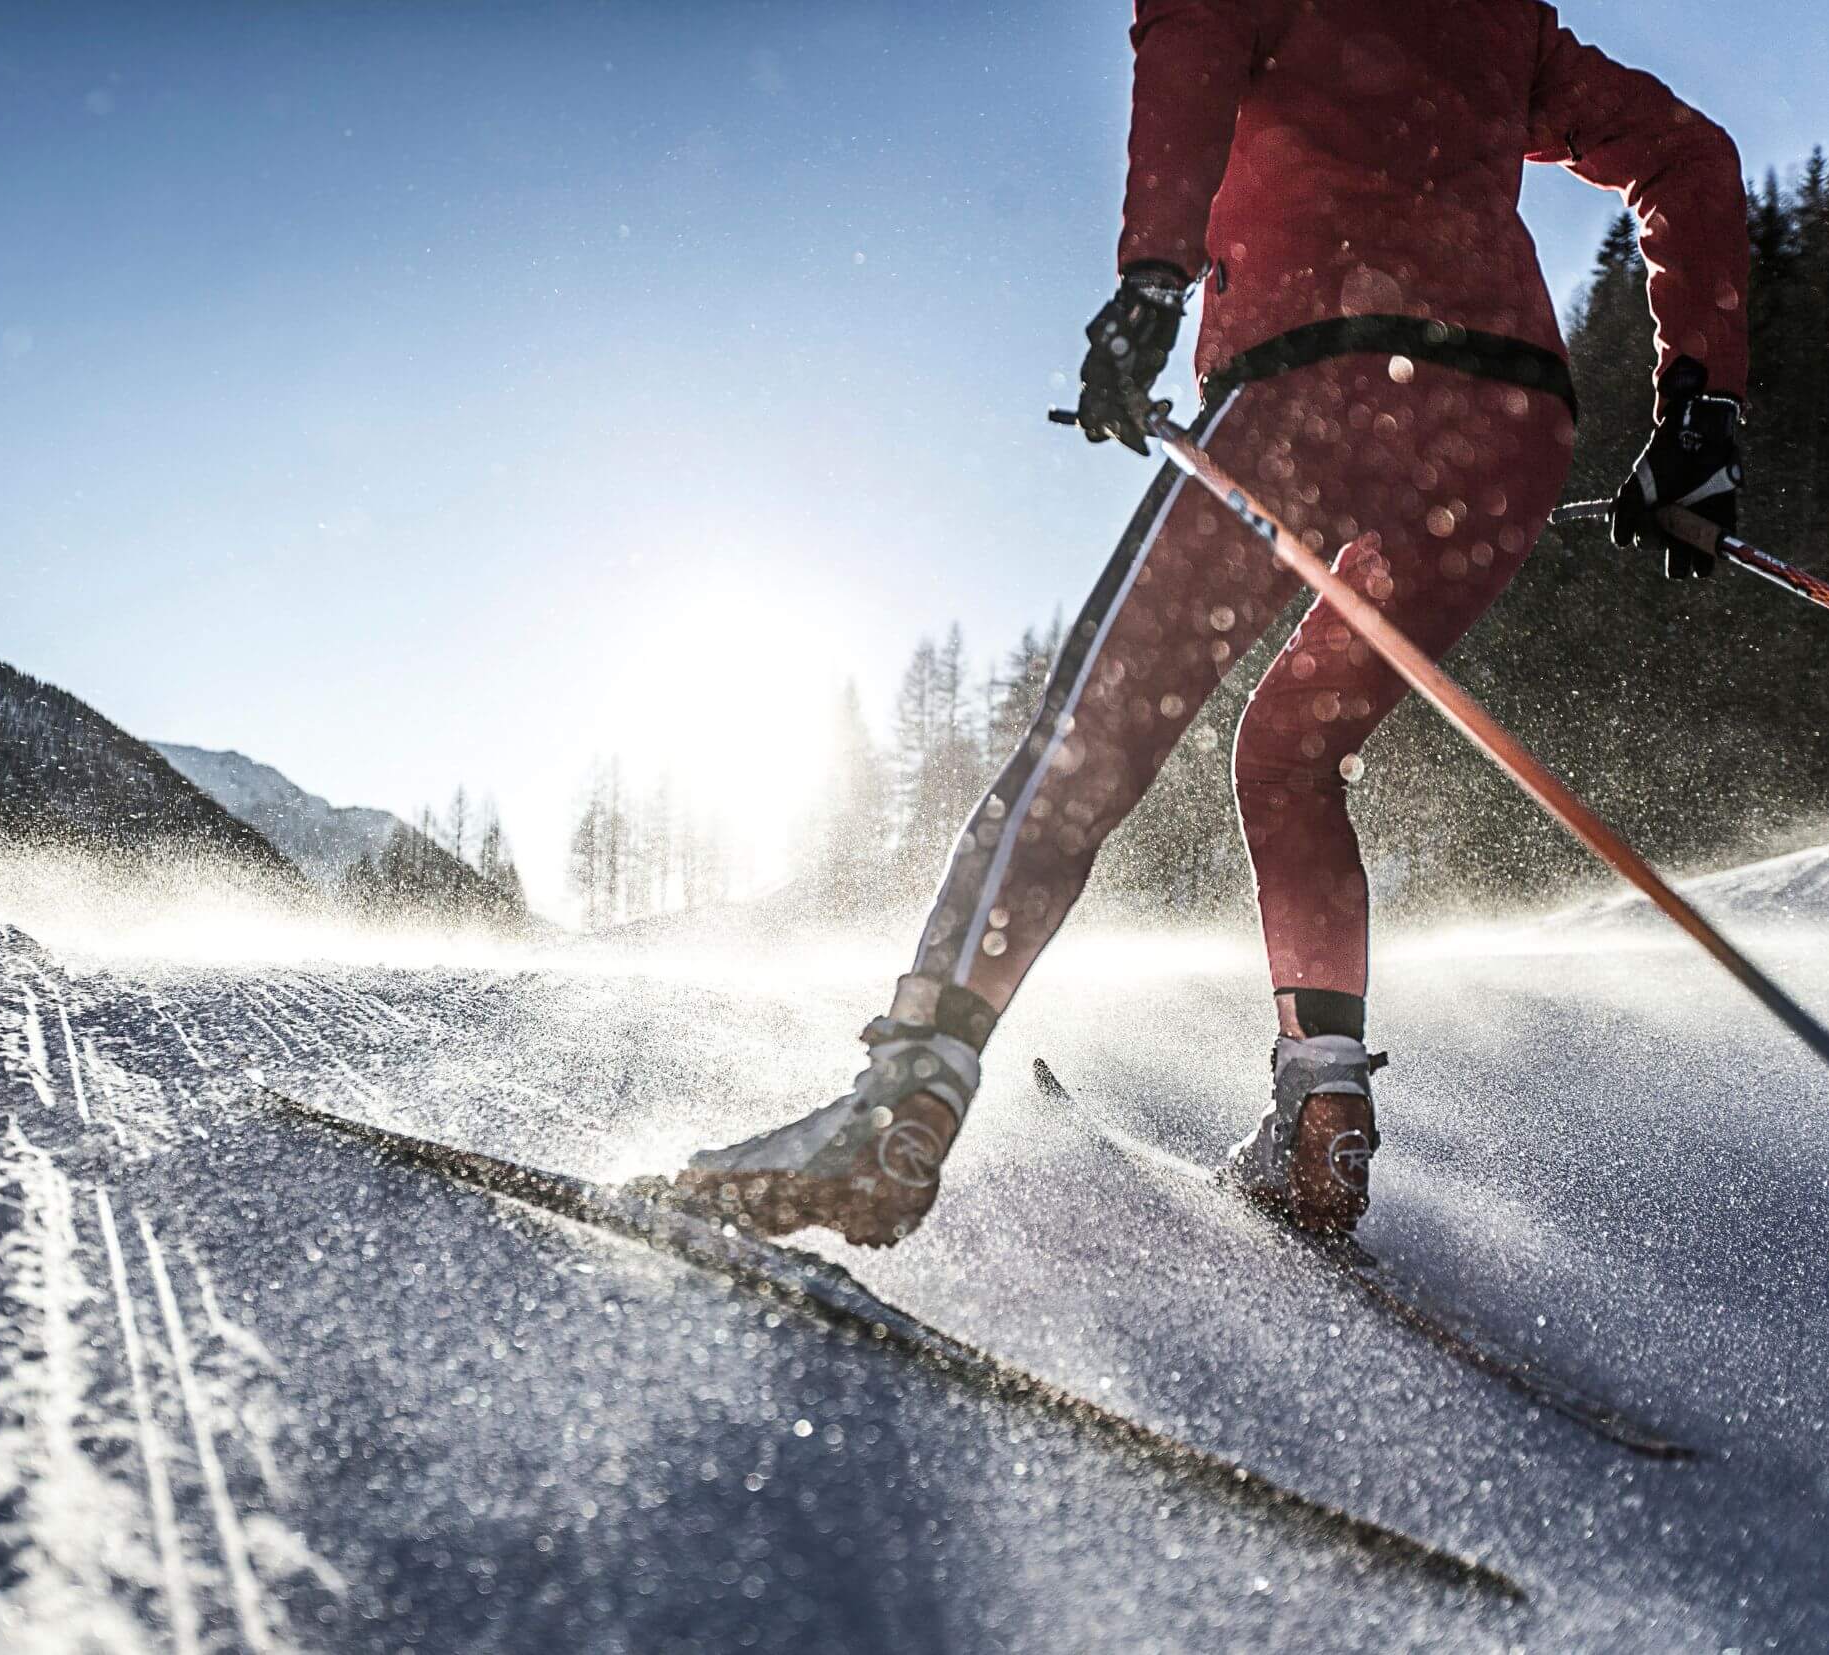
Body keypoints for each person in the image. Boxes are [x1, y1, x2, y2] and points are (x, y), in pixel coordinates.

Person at [675, 1, 1749, 1244]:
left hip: (1317, 371)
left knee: (1092, 736)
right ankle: (1321, 1112)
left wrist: (1149, 284)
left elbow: (1186, 51)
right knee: (1289, 752)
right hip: (1506, 426)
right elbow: (1690, 154)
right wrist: (1700, 416)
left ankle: (900, 1100)